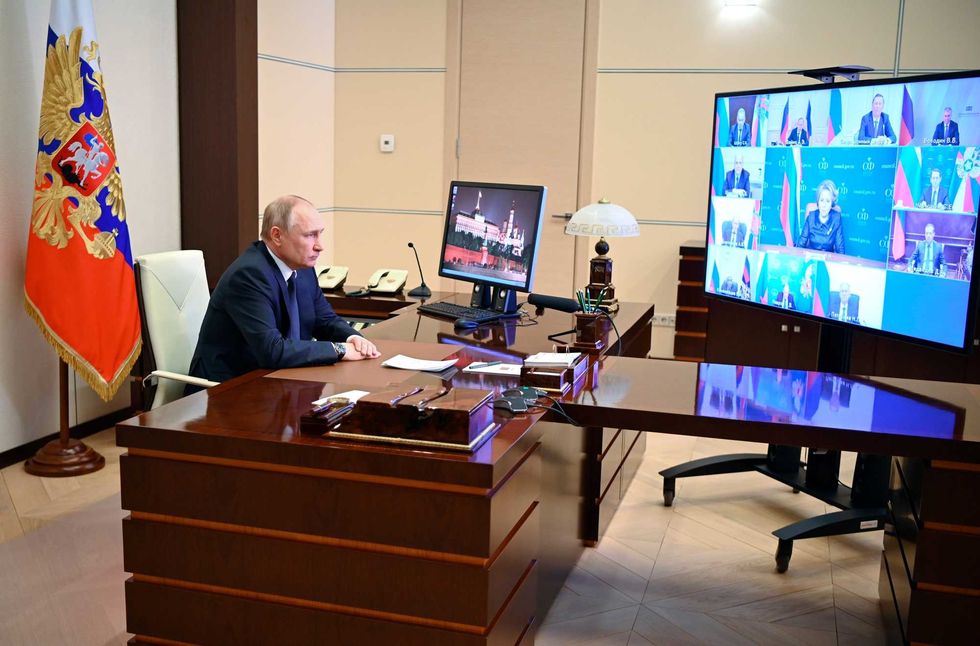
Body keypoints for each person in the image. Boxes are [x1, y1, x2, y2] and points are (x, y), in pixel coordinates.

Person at [189, 195, 381, 383]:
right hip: (228, 388)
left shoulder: (303, 268)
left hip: (279, 379)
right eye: (310, 235)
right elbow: (271, 350)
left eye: (320, 234)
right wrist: (340, 349)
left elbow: (324, 320)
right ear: (277, 235)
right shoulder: (249, 275)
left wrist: (354, 339)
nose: (319, 246)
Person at [796, 179, 845, 254]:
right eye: (822, 200)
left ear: (831, 204)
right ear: (818, 202)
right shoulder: (811, 217)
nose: (824, 205)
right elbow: (801, 243)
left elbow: (840, 248)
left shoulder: (836, 218)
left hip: (828, 259)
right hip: (811, 257)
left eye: (827, 201)